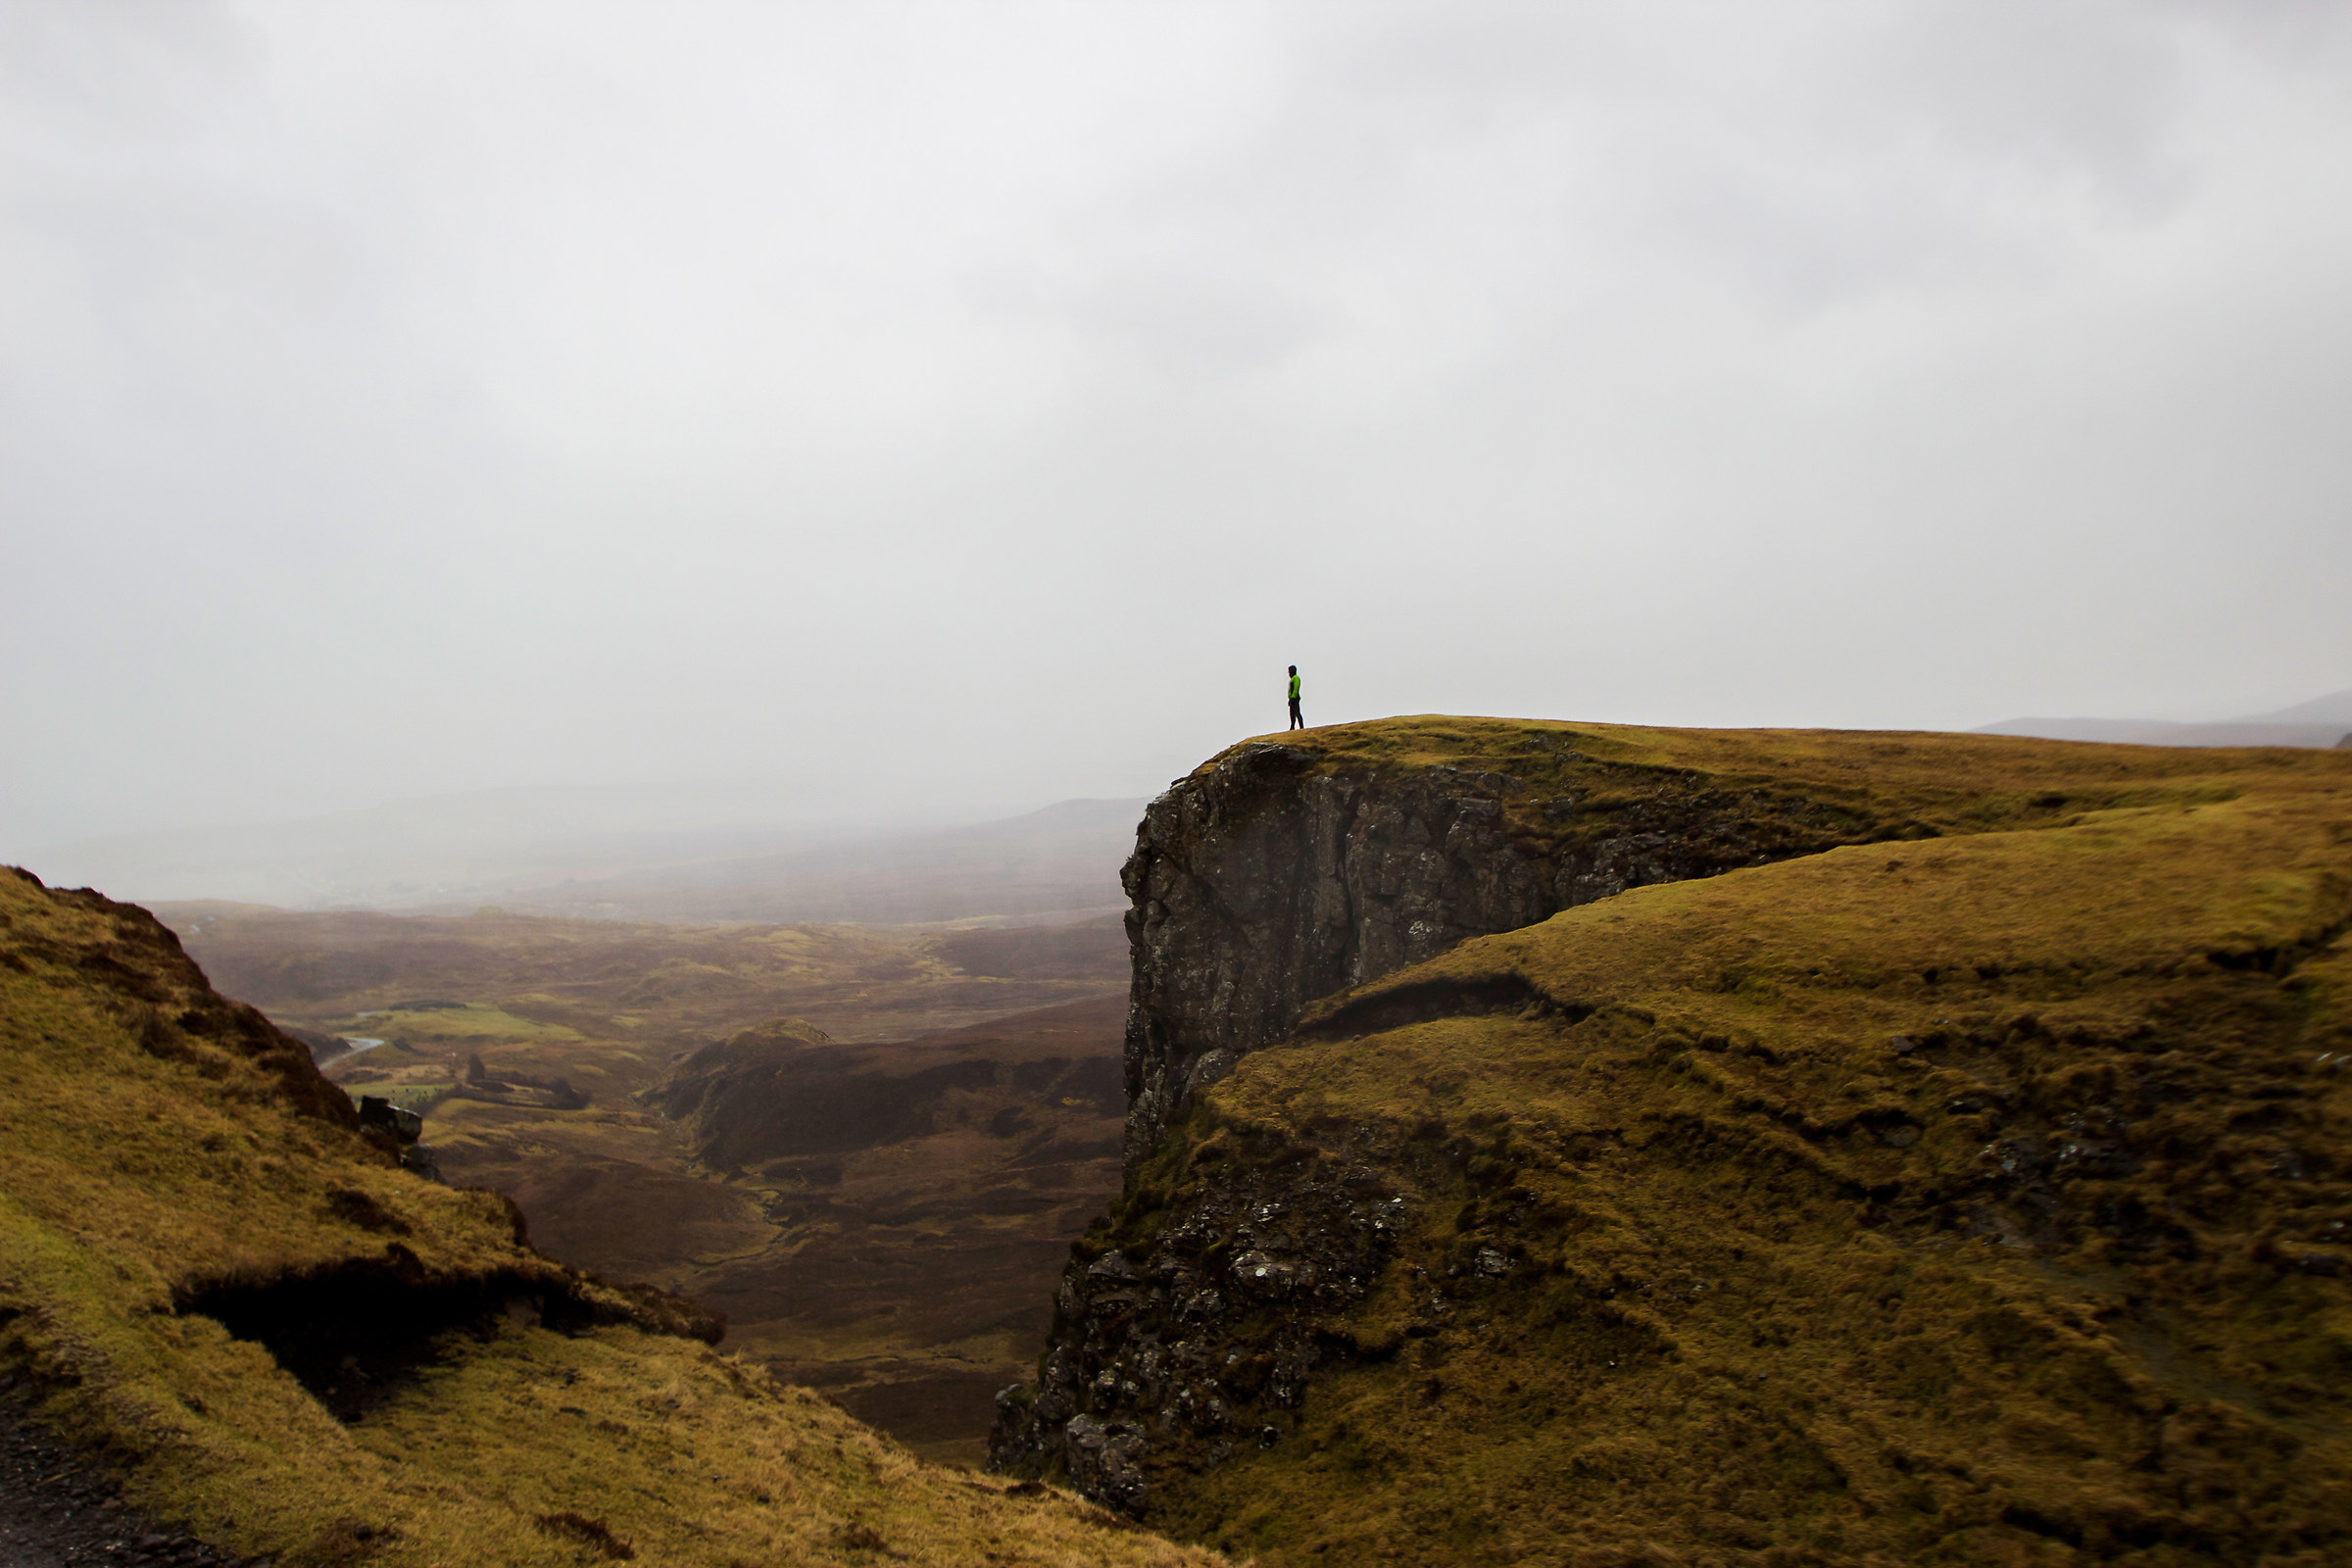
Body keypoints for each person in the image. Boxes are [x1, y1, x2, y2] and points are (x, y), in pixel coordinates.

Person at [1287, 665, 1303, 730]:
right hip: (1292, 698)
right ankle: (1292, 727)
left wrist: (1293, 697)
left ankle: (1301, 727)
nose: (1289, 673)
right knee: (1292, 714)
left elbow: (1296, 688)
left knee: (1297, 712)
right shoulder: (1292, 679)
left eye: (1289, 671)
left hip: (1295, 698)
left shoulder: (1296, 678)